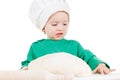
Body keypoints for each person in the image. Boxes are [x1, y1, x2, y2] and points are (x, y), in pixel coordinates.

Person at [21, 0, 114, 75]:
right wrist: (24, 69)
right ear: (43, 27)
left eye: (65, 24)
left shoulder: (74, 45)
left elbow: (89, 57)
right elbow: (28, 65)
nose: (60, 28)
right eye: (54, 24)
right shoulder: (36, 47)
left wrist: (100, 64)